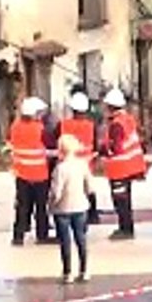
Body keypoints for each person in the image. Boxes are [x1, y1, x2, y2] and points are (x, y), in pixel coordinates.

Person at [101, 88, 146, 241]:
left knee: (120, 200)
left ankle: (125, 229)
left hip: (119, 168)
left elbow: (116, 148)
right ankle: (127, 227)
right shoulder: (128, 119)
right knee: (126, 198)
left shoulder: (116, 124)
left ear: (111, 107)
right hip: (130, 166)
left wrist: (103, 150)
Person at [9, 97, 54, 246]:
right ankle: (42, 235)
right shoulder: (40, 129)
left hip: (22, 174)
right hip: (40, 175)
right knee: (41, 207)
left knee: (22, 206)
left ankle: (18, 236)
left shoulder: (15, 127)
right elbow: (49, 149)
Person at [49, 134, 93, 284]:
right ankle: (84, 270)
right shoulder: (82, 164)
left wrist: (51, 204)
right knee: (81, 238)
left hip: (63, 209)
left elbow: (57, 192)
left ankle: (68, 272)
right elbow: (90, 187)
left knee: (65, 241)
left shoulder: (60, 169)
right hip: (80, 206)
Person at [58, 92, 102, 224]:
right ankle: (92, 215)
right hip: (85, 162)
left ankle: (68, 211)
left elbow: (58, 141)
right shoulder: (91, 125)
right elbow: (96, 145)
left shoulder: (64, 125)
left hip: (68, 162)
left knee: (68, 188)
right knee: (88, 188)